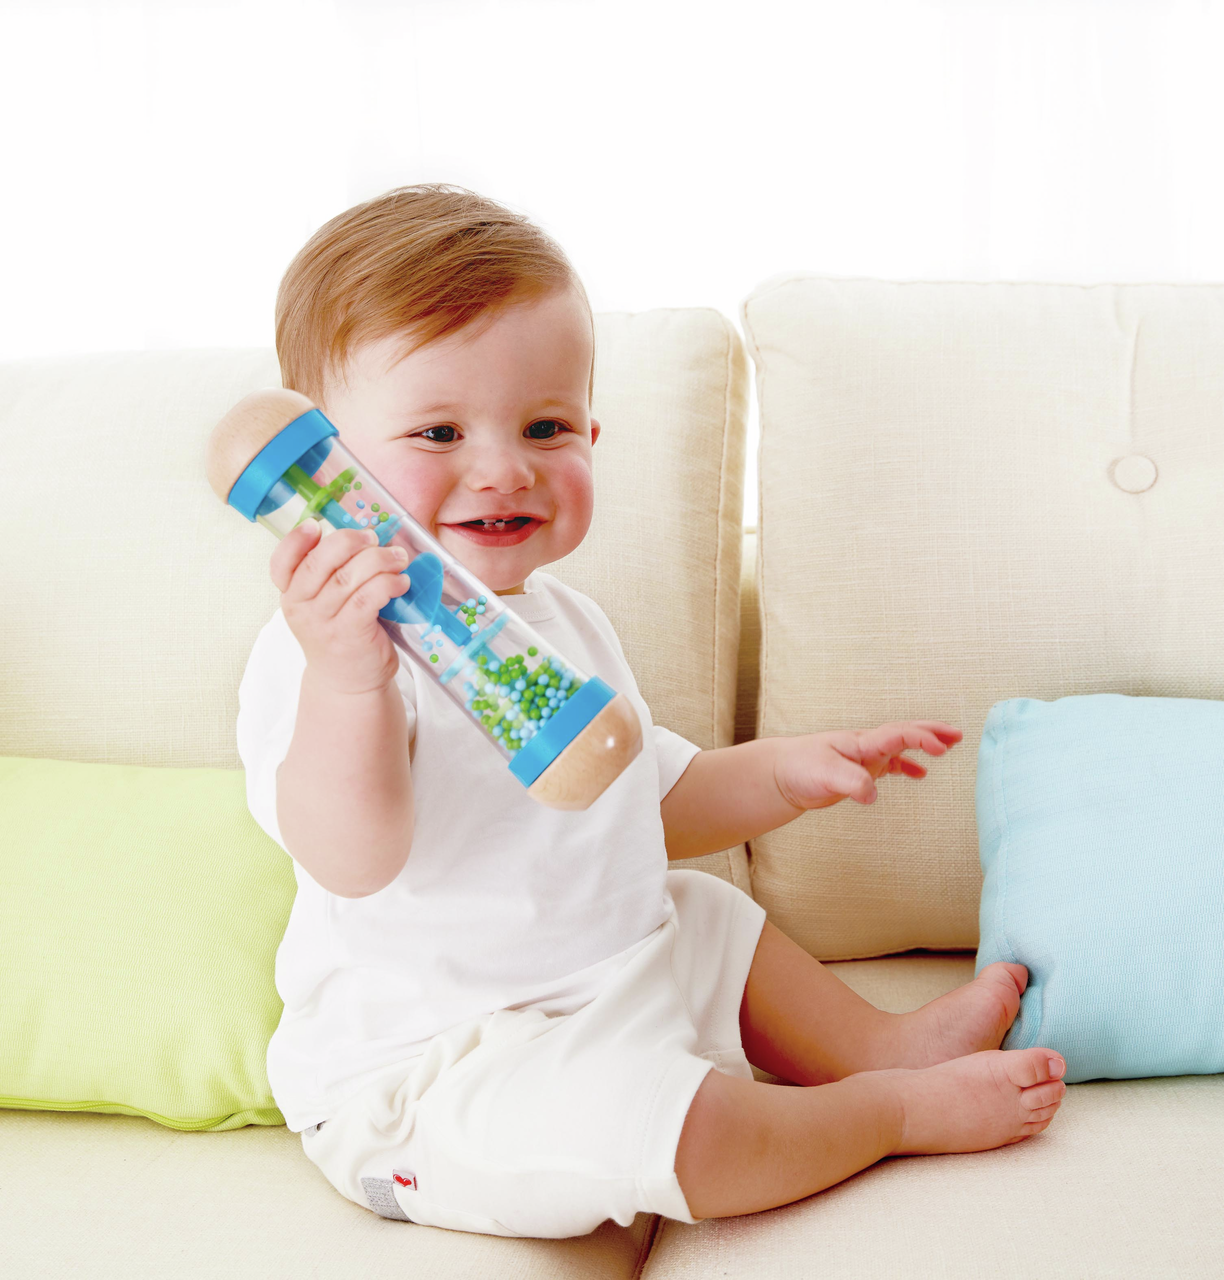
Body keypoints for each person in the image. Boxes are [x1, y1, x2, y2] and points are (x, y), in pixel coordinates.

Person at [236, 184, 1065, 1239]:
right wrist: (348, 678)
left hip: (605, 983)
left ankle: (877, 1045)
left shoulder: (563, 623)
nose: (503, 467)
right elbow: (352, 855)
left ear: (592, 431)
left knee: (704, 914)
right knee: (682, 1140)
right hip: (440, 1068)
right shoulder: (319, 655)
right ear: (329, 469)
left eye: (545, 426)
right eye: (439, 430)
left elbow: (645, 802)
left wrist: (787, 773)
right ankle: (887, 1109)